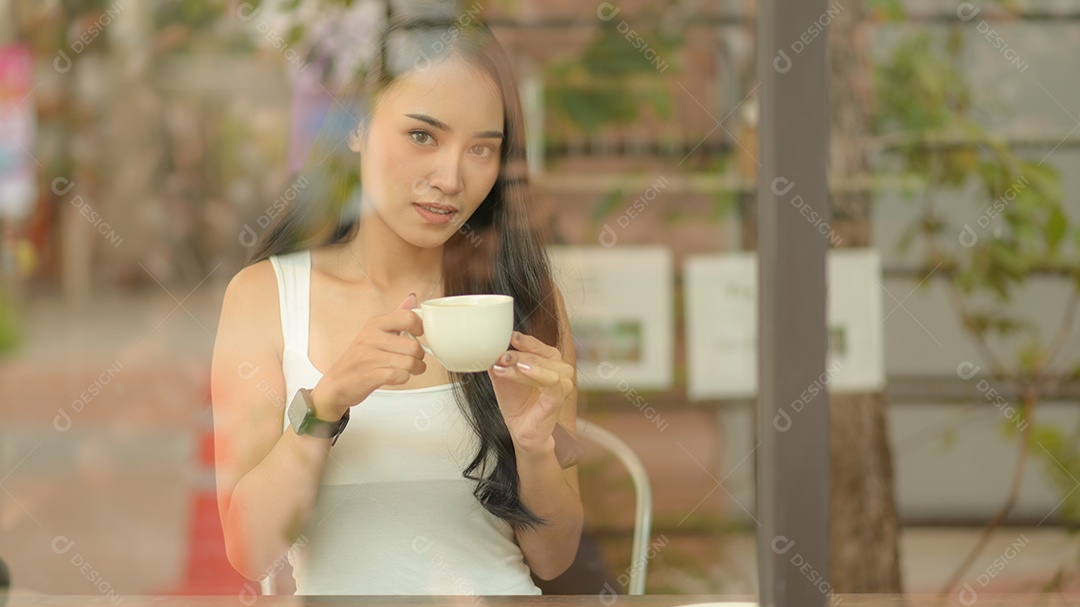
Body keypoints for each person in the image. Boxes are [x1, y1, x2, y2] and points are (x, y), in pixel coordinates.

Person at [210, 11, 583, 596]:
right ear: (356, 125)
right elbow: (251, 552)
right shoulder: (267, 296)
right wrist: (325, 406)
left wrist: (535, 449)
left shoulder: (523, 298)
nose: (450, 177)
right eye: (422, 136)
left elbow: (554, 558)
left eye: (482, 149)